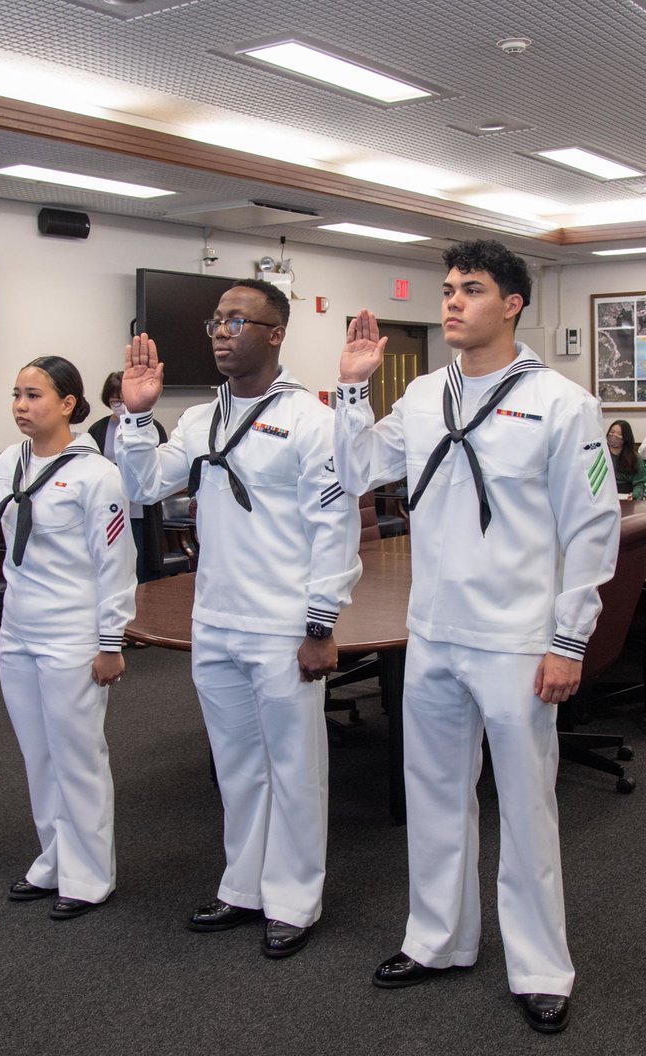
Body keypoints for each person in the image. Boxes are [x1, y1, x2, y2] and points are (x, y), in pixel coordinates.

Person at [334, 240, 621, 1034]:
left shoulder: (563, 404)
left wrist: (569, 641)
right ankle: (438, 940)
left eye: (472, 289)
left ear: (513, 303)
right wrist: (352, 390)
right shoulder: (424, 395)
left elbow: (593, 528)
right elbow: (356, 469)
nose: (453, 301)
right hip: (433, 632)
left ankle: (540, 967)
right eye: (448, 288)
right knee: (433, 796)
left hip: (519, 641)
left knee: (526, 809)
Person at [116, 279, 361, 957]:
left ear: (276, 332)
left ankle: (294, 900)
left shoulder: (313, 420)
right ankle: (243, 885)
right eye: (216, 322)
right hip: (216, 622)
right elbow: (140, 484)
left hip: (284, 626)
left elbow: (333, 527)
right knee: (237, 766)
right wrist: (137, 415)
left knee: (295, 766)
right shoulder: (199, 420)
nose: (222, 332)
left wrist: (319, 624)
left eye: (237, 321)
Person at [0, 357, 136, 920]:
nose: (20, 406)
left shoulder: (95, 473)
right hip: (19, 630)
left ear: (69, 405)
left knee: (77, 756)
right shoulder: (11, 459)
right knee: (39, 755)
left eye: (34, 395)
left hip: (73, 633)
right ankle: (54, 858)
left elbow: (115, 562)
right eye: (16, 395)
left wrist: (110, 641)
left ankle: (90, 874)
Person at [88, 371, 169, 582]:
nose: (120, 406)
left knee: (141, 562)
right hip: (108, 507)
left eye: (124, 401)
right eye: (115, 401)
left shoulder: (151, 427)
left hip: (140, 508)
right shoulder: (97, 429)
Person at [606, 419, 646, 499]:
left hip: (626, 496)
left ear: (626, 438)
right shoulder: (601, 454)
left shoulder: (635, 458)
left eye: (619, 434)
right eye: (612, 432)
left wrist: (635, 495)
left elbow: (640, 483)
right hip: (605, 494)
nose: (614, 436)